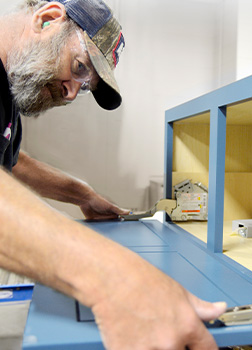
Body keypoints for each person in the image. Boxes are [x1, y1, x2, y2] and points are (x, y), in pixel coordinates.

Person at [0, 0, 227, 349]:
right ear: (47, 19)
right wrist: (112, 278)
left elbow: (12, 163)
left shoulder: (7, 93)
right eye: (79, 67)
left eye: (85, 87)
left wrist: (83, 194)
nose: (72, 93)